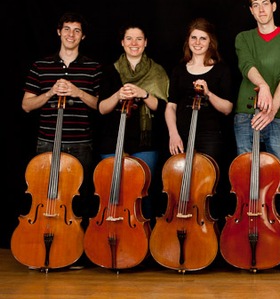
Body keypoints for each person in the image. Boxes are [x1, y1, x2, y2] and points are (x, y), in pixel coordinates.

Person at [233, 0, 280, 269]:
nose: (261, 9)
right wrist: (262, 86)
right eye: (255, 5)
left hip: (278, 116)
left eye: (265, 3)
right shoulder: (244, 37)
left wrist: (272, 108)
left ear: (274, 6)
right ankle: (250, 243)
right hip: (246, 115)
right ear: (251, 11)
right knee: (249, 180)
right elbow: (246, 64)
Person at [21, 12, 103, 232]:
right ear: (59, 32)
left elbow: (101, 106)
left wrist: (78, 92)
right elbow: (26, 105)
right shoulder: (40, 65)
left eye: (77, 30)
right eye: (67, 29)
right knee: (45, 193)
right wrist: (49, 93)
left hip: (80, 143)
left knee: (80, 197)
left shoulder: (93, 67)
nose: (71, 34)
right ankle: (42, 240)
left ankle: (74, 249)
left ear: (83, 37)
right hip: (47, 142)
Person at [97, 23, 169, 221]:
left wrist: (143, 94)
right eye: (129, 38)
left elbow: (163, 108)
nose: (134, 43)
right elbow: (101, 108)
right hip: (113, 139)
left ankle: (142, 239)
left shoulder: (157, 71)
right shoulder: (110, 71)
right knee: (112, 192)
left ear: (145, 43)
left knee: (143, 193)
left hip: (145, 141)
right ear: (122, 42)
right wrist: (118, 95)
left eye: (139, 39)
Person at [165, 17, 234, 221]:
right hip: (182, 134)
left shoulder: (221, 70)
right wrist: (173, 134)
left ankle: (204, 227)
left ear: (210, 41)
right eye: (193, 37)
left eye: (202, 38)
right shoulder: (178, 70)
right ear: (188, 41)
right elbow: (170, 106)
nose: (197, 42)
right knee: (179, 183)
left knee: (206, 185)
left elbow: (227, 108)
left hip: (210, 136)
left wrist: (209, 93)